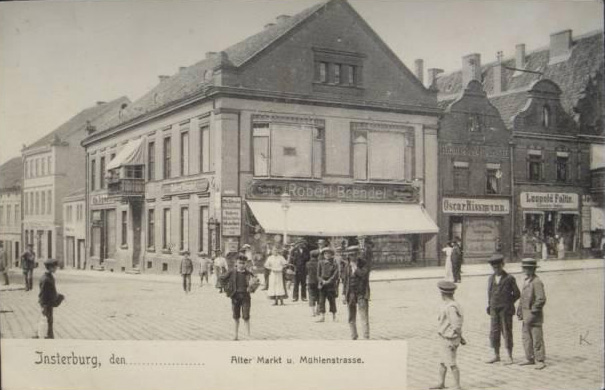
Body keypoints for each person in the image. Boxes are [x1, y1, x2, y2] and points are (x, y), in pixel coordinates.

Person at [486, 254, 520, 365]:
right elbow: (489, 293)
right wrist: (489, 305)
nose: (496, 270)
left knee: (507, 332)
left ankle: (509, 356)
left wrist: (508, 302)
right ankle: (496, 355)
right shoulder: (491, 278)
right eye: (494, 268)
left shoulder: (509, 278)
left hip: (505, 310)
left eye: (498, 267)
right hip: (494, 309)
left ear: (503, 265)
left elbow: (517, 293)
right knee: (494, 332)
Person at [430, 280, 465, 390]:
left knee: (452, 363)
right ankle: (441, 382)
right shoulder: (449, 305)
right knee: (442, 361)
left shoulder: (451, 307)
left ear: (443, 294)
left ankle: (457, 385)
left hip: (450, 338)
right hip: (444, 337)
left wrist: (460, 337)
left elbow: (456, 325)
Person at [517, 258, 547, 370]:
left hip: (534, 315)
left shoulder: (537, 282)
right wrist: (519, 310)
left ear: (533, 269)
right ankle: (529, 358)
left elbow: (541, 299)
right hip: (525, 314)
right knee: (526, 337)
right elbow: (522, 297)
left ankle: (540, 360)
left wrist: (533, 312)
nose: (525, 270)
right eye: (524, 268)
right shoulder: (526, 280)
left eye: (527, 268)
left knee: (536, 337)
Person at [220, 255, 255, 341]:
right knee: (236, 317)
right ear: (236, 263)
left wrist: (252, 287)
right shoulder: (232, 272)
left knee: (246, 316)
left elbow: (255, 285)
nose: (241, 265)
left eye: (243, 263)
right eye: (240, 263)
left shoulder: (249, 273)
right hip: (235, 297)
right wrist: (227, 288)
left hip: (246, 297)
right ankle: (235, 335)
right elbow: (221, 279)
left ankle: (248, 336)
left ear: (246, 263)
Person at [342, 246, 370, 340]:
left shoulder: (364, 263)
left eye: (354, 255)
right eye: (350, 255)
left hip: (361, 293)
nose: (352, 257)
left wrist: (355, 267)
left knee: (364, 316)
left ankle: (366, 336)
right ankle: (353, 335)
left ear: (358, 254)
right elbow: (345, 281)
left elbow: (363, 275)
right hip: (350, 293)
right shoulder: (346, 265)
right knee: (351, 316)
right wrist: (343, 294)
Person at [38, 258, 64, 339]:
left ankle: (49, 337)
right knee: (47, 322)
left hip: (48, 303)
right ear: (50, 267)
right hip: (46, 304)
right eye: (55, 267)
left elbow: (51, 292)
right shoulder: (46, 279)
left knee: (49, 322)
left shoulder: (49, 276)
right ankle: (48, 338)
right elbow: (43, 294)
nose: (56, 268)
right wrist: (43, 306)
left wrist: (58, 297)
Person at [316, 247, 339, 322]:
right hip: (322, 284)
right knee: (321, 301)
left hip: (331, 284)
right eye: (325, 253)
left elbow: (335, 274)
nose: (327, 255)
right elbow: (318, 274)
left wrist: (329, 281)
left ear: (331, 254)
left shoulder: (334, 263)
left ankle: (334, 316)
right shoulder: (320, 262)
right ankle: (322, 316)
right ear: (323, 255)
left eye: (329, 253)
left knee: (332, 300)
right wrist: (322, 281)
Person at [306, 249, 320, 316]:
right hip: (318, 281)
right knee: (319, 296)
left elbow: (306, 273)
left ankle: (313, 312)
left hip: (311, 281)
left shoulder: (308, 263)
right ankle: (318, 310)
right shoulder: (320, 263)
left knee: (311, 296)